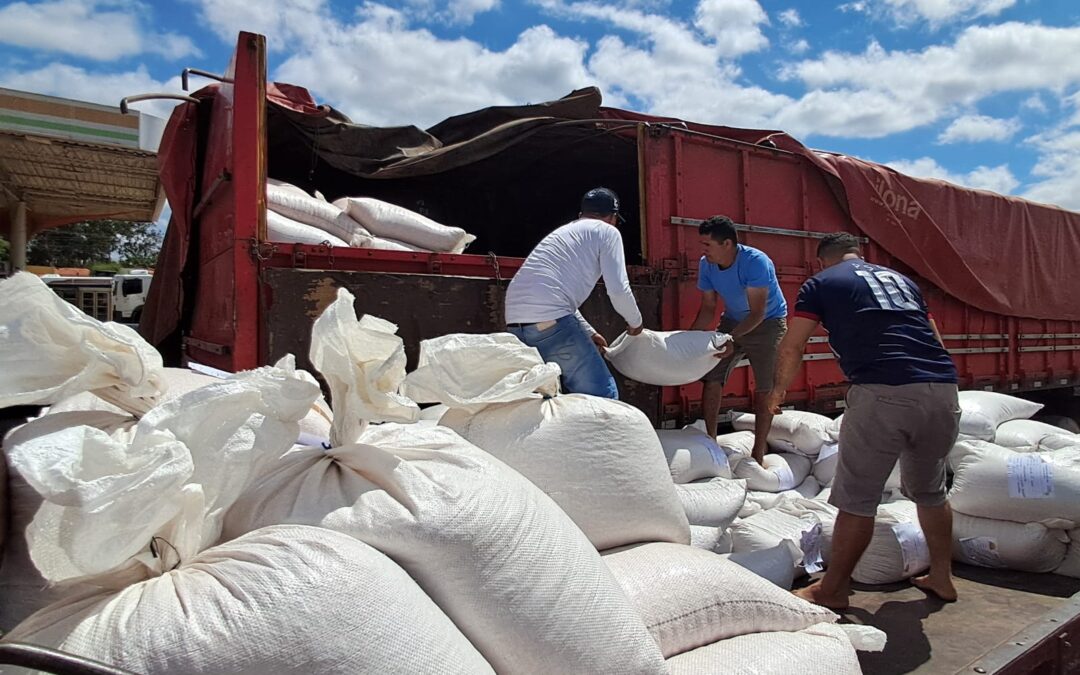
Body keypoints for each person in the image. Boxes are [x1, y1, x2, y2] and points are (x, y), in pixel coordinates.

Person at [768, 232, 960, 609]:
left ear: (823, 260)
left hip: (883, 390)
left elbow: (793, 344)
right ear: (859, 254)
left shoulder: (821, 283)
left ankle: (832, 589)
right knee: (931, 491)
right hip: (942, 387)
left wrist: (776, 392)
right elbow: (935, 340)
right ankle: (942, 576)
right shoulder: (903, 282)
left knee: (858, 499)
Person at [504, 187, 643, 398]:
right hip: (551, 322)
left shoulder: (563, 233)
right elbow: (618, 290)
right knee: (602, 396)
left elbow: (556, 296)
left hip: (516, 324)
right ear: (613, 218)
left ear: (581, 215)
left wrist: (589, 332)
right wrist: (636, 323)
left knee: (548, 398)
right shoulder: (607, 232)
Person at [690, 215, 787, 463]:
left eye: (707, 245)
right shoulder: (706, 265)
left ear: (727, 244)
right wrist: (688, 340)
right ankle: (711, 441)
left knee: (765, 387)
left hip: (767, 323)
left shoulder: (755, 262)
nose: (703, 251)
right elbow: (708, 308)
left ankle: (758, 452)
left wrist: (731, 338)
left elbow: (757, 313)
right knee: (712, 375)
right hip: (733, 320)